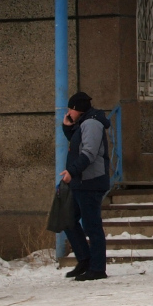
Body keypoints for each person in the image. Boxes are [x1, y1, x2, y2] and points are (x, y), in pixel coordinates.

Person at [60, 92, 111, 281]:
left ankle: (97, 268)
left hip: (91, 182)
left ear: (77, 109)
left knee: (92, 226)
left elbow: (88, 152)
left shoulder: (91, 124)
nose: (68, 112)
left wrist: (71, 172)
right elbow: (77, 144)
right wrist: (68, 128)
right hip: (81, 182)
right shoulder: (84, 123)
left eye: (70, 109)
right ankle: (85, 260)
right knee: (68, 220)